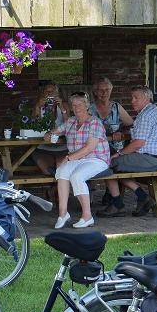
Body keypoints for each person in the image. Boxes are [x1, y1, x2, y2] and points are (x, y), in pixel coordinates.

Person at [99, 85, 157, 218]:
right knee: (114, 164)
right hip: (152, 157)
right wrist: (122, 131)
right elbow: (136, 131)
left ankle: (118, 205)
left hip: (148, 157)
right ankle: (142, 197)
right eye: (132, 97)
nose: (132, 101)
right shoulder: (150, 112)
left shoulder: (146, 116)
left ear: (147, 98)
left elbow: (138, 143)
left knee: (107, 164)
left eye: (136, 98)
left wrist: (119, 153)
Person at [47, 93, 110, 229]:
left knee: (77, 176)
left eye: (80, 105)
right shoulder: (71, 121)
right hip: (78, 159)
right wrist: (50, 134)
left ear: (87, 106)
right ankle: (63, 214)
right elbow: (57, 130)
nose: (76, 108)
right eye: (74, 105)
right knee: (61, 172)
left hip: (96, 159)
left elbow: (89, 148)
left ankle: (87, 216)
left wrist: (68, 158)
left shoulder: (95, 122)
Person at [90, 77, 134, 207]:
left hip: (116, 149)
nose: (104, 93)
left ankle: (111, 194)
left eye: (107, 90)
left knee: (114, 163)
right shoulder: (89, 108)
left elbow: (131, 124)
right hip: (95, 149)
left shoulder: (116, 107)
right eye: (101, 90)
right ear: (95, 92)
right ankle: (93, 195)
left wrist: (120, 131)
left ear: (111, 91)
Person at [31, 81, 69, 175]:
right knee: (49, 171)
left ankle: (58, 185)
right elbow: (35, 126)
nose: (50, 94)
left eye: (53, 92)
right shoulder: (39, 104)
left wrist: (62, 107)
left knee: (61, 170)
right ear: (43, 93)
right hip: (42, 145)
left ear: (58, 94)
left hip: (62, 146)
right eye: (47, 91)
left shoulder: (64, 105)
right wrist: (37, 107)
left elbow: (69, 125)